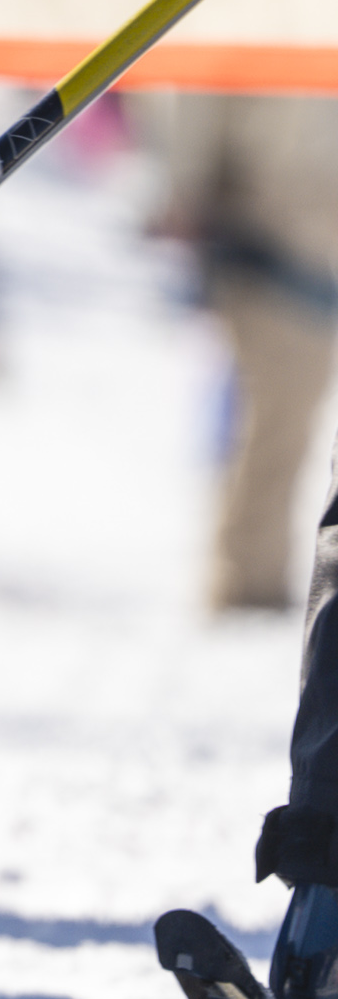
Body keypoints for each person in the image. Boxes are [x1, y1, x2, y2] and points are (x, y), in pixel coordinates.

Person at [137, 94, 338, 615]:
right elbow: (195, 88)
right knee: (275, 416)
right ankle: (245, 580)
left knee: (293, 417)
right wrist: (183, 188)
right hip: (270, 222)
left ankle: (257, 575)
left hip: (312, 228)